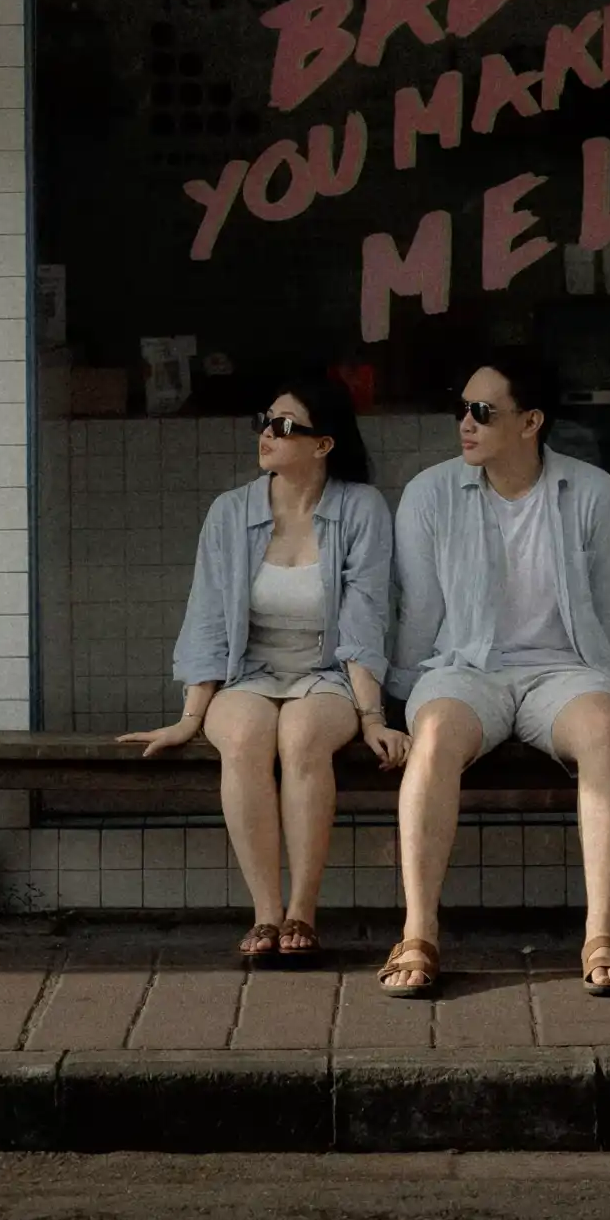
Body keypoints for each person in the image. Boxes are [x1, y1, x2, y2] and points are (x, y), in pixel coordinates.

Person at [381, 352, 610, 999]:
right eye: (461, 409)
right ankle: (418, 932)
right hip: (465, 669)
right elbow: (418, 615)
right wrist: (396, 705)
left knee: (603, 727)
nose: (465, 423)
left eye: (482, 412)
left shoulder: (592, 493)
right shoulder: (431, 494)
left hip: (564, 672)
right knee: (433, 736)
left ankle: (602, 933)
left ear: (530, 422)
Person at [119, 374, 406, 964]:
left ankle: (303, 911)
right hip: (247, 672)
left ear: (322, 444)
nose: (266, 434)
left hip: (327, 674)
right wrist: (190, 716)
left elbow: (365, 617)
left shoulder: (360, 508)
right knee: (246, 736)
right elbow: (207, 618)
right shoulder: (230, 512)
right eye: (264, 421)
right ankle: (266, 914)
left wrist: (372, 716)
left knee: (302, 736)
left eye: (283, 425)